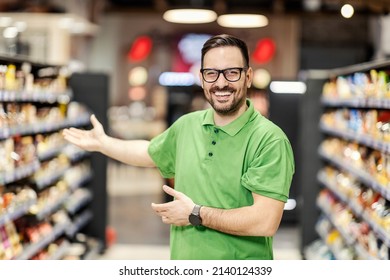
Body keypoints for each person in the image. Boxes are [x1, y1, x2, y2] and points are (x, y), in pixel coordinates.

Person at [63, 34, 295, 260]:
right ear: (202, 78)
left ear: (248, 76)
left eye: (232, 73)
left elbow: (265, 221)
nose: (221, 83)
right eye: (211, 74)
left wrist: (196, 214)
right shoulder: (188, 125)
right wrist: (104, 143)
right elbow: (149, 153)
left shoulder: (269, 140)